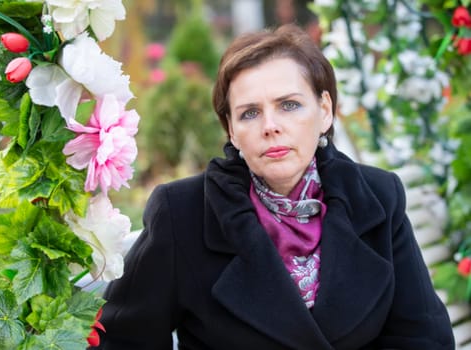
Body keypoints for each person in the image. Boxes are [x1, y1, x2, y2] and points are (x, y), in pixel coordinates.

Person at [93, 24, 455, 349]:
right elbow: (122, 342)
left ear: (324, 110)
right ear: (231, 129)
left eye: (289, 105)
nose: (270, 125)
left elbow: (423, 337)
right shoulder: (182, 211)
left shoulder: (377, 196)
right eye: (249, 113)